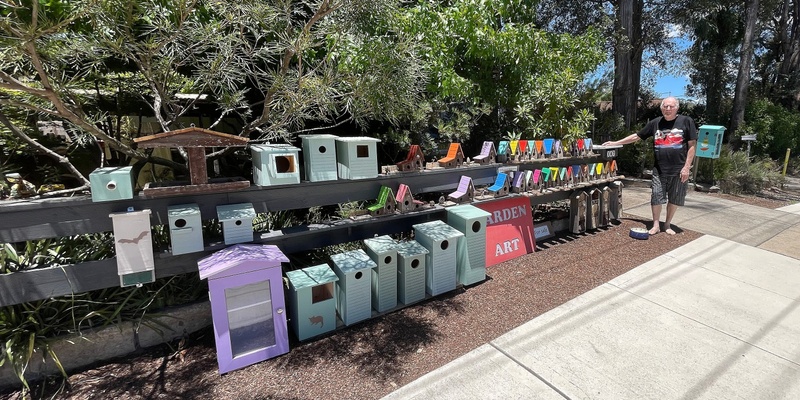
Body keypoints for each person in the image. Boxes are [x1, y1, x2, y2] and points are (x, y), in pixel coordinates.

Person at [603, 96, 697, 235]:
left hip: (679, 170)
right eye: (665, 106)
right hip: (659, 169)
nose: (668, 109)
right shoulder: (655, 123)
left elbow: (692, 145)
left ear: (677, 108)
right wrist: (616, 143)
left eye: (671, 106)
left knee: (675, 198)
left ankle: (667, 224)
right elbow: (637, 136)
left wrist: (686, 167)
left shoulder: (686, 121)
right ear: (661, 108)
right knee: (656, 196)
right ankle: (655, 225)